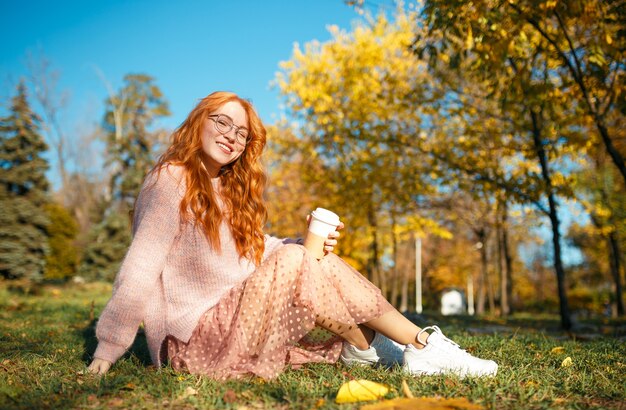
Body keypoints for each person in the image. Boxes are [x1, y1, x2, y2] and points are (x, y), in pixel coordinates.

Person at [87, 91, 497, 380]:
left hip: (233, 325)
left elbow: (253, 253)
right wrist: (109, 345)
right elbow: (140, 265)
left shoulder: (227, 192)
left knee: (309, 256)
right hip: (188, 345)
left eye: (241, 132)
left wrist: (301, 245)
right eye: (221, 122)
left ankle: (392, 344)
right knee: (298, 258)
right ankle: (415, 345)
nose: (231, 134)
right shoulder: (170, 179)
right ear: (198, 124)